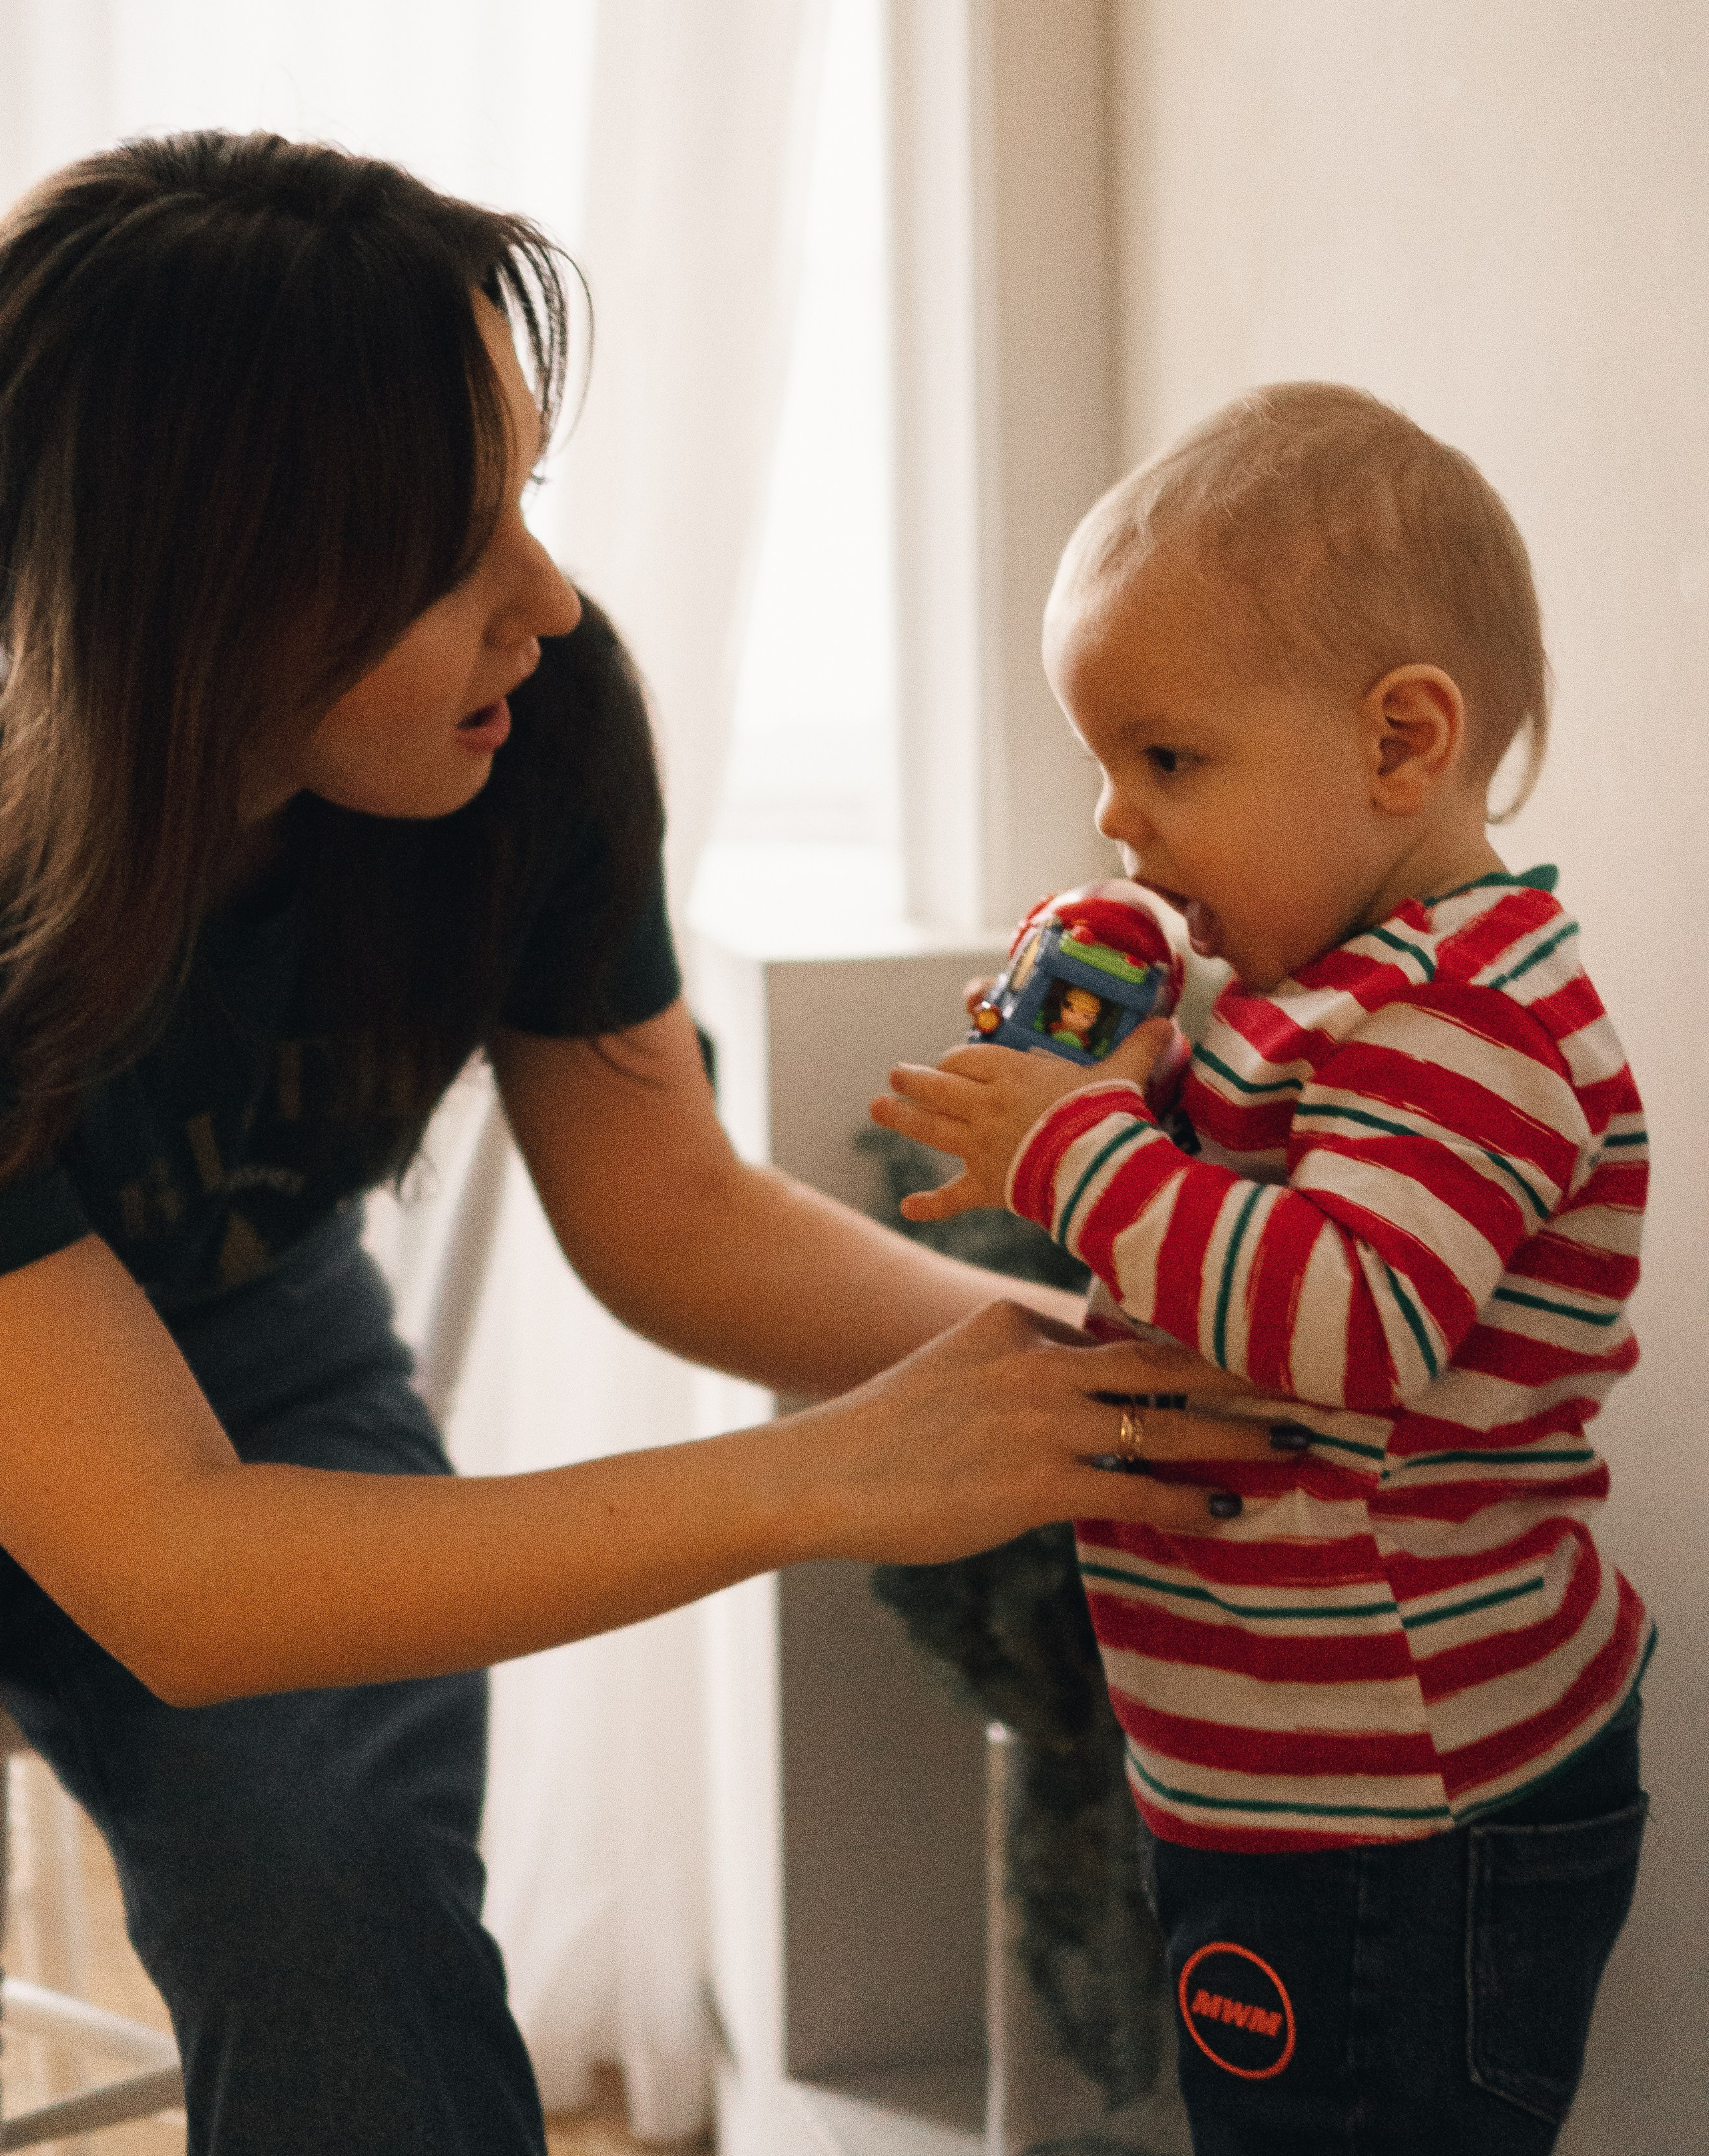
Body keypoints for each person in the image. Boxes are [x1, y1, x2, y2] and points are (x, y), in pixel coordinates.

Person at [0, 132, 1296, 2156]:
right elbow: (172, 1568)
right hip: (150, 1463)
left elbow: (670, 1209)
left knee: (341, 1896)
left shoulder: (531, 725)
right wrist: (825, 1478)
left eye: (526, 495)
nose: (546, 594)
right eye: (456, 546)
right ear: (195, 598)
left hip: (247, 1347)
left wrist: (1084, 1388)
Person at [874, 382, 1651, 2155]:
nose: (1118, 827)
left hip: (1400, 1807)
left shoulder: (1467, 1023)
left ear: (1400, 746)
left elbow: (1348, 1322)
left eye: (1170, 761)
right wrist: (1134, 1085)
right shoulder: (1334, 1005)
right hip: (1291, 1782)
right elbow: (1247, 1230)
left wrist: (1074, 1155)